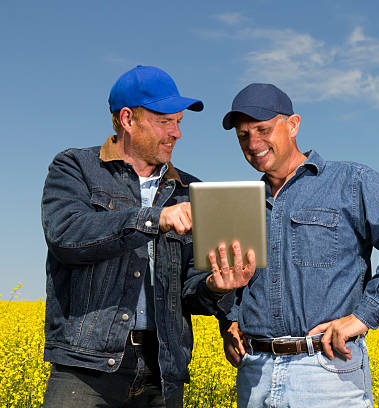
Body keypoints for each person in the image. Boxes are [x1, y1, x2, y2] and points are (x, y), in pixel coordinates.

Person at [41, 65, 255, 408]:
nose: (177, 133)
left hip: (163, 371)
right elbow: (67, 236)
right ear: (127, 119)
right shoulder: (75, 167)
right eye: (165, 122)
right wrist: (155, 219)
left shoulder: (190, 190)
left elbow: (191, 290)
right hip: (85, 370)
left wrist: (216, 287)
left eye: (179, 122)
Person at [220, 83, 379, 407]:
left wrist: (364, 315)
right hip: (255, 372)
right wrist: (231, 317)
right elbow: (237, 276)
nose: (253, 143)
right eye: (243, 136)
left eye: (263, 129)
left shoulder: (350, 181)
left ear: (293, 125)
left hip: (326, 372)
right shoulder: (240, 203)